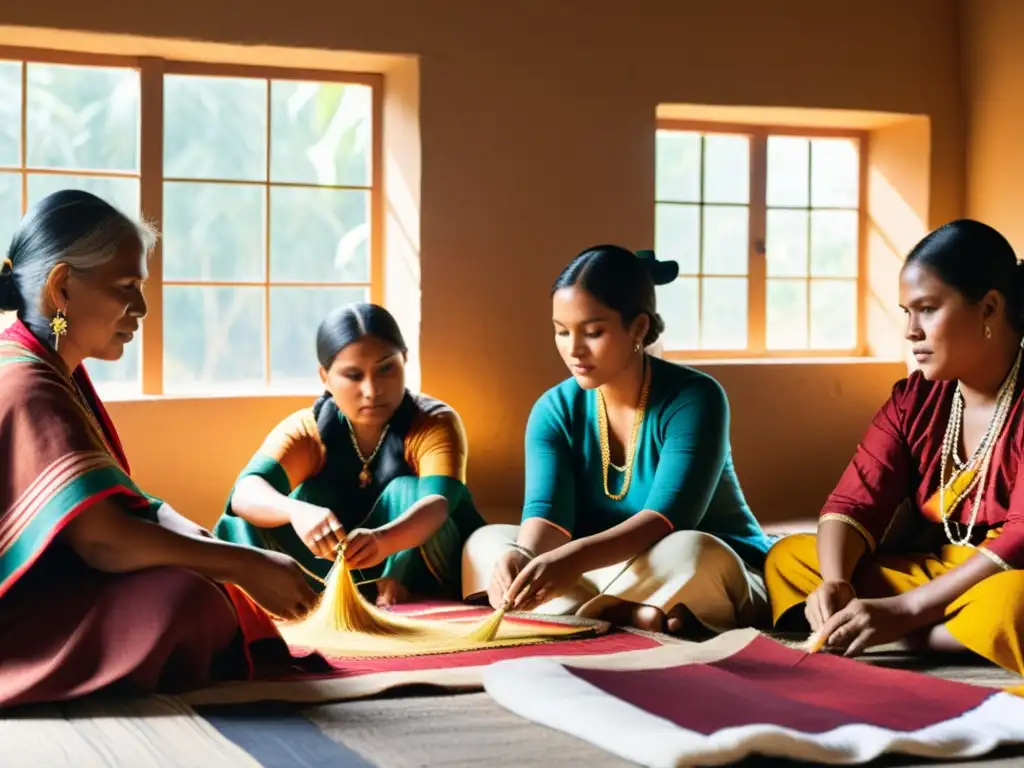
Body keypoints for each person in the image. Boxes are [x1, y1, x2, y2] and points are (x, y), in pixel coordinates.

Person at [0, 190, 318, 708]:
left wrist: (217, 550)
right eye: (127, 288)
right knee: (186, 597)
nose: (143, 309)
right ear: (61, 288)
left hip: (51, 591)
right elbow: (101, 541)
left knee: (196, 553)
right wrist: (242, 565)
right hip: (16, 621)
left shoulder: (43, 363)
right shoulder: (29, 383)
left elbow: (117, 504)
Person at [462, 245, 774, 634]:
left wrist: (571, 561)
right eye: (561, 331)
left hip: (691, 554)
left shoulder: (696, 398)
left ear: (638, 328)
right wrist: (522, 555)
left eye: (592, 332)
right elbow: (549, 517)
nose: (573, 349)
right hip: (600, 563)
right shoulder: (554, 409)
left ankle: (580, 612)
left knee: (695, 552)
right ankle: (627, 612)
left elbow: (665, 520)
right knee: (487, 541)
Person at [765, 219, 1024, 676]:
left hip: (1002, 574)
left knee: (1015, 602)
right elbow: (852, 503)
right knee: (791, 557)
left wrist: (903, 611)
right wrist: (836, 582)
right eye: (906, 311)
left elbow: (1018, 543)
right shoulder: (914, 399)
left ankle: (900, 630)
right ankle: (921, 629)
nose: (910, 331)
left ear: (988, 308)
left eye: (926, 309)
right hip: (940, 575)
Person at [214, 303, 486, 606]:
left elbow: (439, 505)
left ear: (405, 359)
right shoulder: (310, 428)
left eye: (386, 368)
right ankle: (313, 594)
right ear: (325, 378)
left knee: (407, 490)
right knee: (248, 520)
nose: (372, 390)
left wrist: (384, 541)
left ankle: (394, 586)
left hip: (414, 561)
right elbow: (245, 492)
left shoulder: (434, 420)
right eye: (353, 375)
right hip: (334, 560)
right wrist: (296, 512)